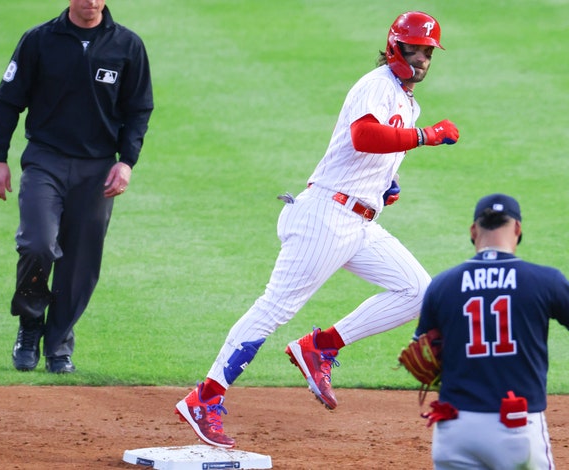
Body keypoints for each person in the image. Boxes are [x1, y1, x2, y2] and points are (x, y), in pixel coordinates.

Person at [174, 11, 460, 448]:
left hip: (359, 222)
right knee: (274, 309)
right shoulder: (376, 84)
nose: (420, 58)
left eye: (427, 52)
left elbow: (365, 155)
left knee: (419, 291)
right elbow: (365, 135)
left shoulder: (406, 99)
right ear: (393, 47)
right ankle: (203, 399)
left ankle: (320, 347)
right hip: (325, 218)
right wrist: (426, 137)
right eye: (413, 48)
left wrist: (385, 188)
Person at [0, 0, 153, 374]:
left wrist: (126, 162)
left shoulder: (127, 46)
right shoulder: (38, 40)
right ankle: (30, 325)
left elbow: (138, 109)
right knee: (37, 243)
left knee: (80, 263)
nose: (90, 1)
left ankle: (58, 344)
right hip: (45, 160)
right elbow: (8, 100)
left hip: (97, 169)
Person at [412, 193, 569, 469]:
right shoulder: (544, 280)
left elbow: (424, 357)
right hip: (515, 430)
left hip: (454, 429)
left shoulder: (442, 285)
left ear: (474, 231)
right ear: (517, 229)